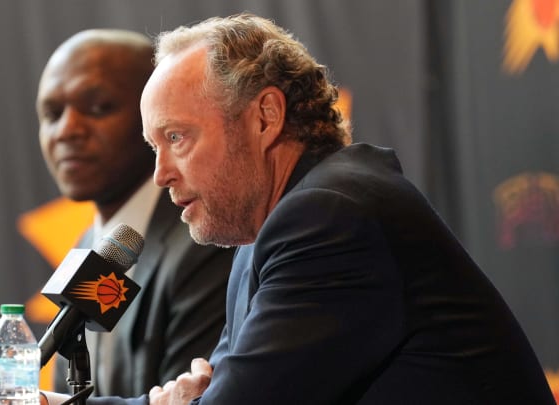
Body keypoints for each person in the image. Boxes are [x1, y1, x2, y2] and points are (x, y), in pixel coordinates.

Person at [138, 13, 556, 405]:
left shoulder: (330, 218)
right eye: (154, 147)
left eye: (176, 137)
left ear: (266, 117)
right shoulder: (268, 233)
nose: (160, 174)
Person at [0, 29, 233, 405]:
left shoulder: (206, 239)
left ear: (154, 115)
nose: (67, 130)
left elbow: (193, 398)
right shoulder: (90, 247)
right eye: (52, 114)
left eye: (99, 107)